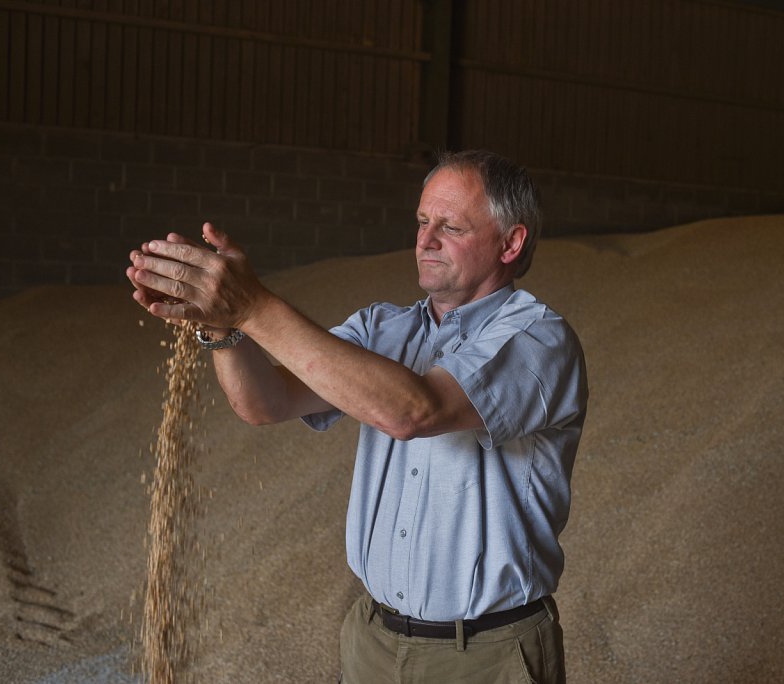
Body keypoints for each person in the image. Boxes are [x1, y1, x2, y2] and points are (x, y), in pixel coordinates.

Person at [127, 149, 588, 683]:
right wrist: (224, 328)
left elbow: (415, 409)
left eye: (451, 226)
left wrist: (253, 307)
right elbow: (264, 402)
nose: (426, 239)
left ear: (512, 242)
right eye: (421, 221)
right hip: (374, 641)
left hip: (487, 656)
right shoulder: (381, 329)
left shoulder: (538, 339)